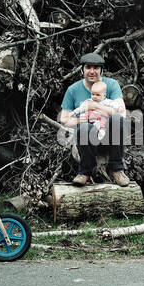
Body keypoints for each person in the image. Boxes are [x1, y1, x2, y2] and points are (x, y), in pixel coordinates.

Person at [59, 52, 130, 187]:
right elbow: (64, 119)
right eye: (88, 67)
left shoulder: (112, 85)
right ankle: (84, 172)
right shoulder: (73, 90)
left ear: (101, 70)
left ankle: (117, 169)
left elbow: (122, 114)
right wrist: (80, 120)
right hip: (86, 139)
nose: (92, 71)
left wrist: (95, 106)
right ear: (82, 70)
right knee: (85, 127)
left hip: (109, 137)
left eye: (96, 68)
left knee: (116, 120)